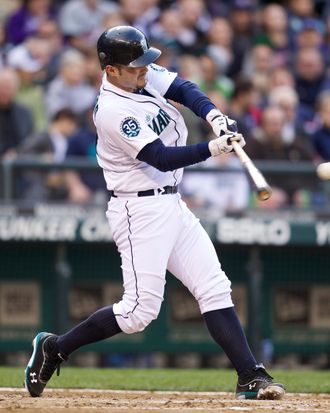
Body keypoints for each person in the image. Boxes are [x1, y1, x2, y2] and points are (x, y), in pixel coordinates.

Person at [25, 25, 285, 401]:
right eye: (135, 66)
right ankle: (55, 347)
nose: (144, 70)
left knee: (214, 287)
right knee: (137, 312)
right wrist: (214, 148)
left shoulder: (140, 76)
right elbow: (159, 158)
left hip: (171, 202)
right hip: (138, 208)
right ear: (110, 69)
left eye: (145, 63)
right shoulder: (112, 110)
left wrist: (213, 115)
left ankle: (250, 375)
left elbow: (183, 89)